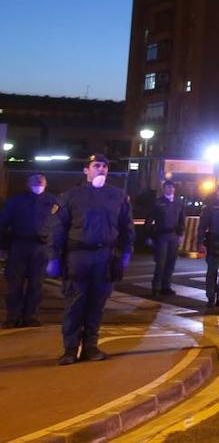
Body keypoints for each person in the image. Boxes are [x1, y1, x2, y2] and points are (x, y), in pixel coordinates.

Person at [48, 154, 134, 364]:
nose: (101, 169)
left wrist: (125, 255)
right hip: (78, 256)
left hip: (105, 257)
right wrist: (53, 258)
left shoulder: (118, 196)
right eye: (96, 166)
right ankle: (70, 350)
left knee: (97, 304)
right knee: (75, 303)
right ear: (86, 170)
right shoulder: (71, 196)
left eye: (104, 166)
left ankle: (90, 347)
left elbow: (127, 228)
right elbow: (58, 229)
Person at [0, 173, 56, 328]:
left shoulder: (52, 202)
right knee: (14, 284)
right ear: (27, 183)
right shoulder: (16, 201)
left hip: (41, 247)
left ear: (46, 183)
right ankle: (13, 317)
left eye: (41, 179)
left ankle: (31, 316)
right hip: (19, 245)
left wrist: (55, 251)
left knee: (36, 285)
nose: (38, 181)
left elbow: (59, 227)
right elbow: (2, 224)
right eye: (34, 179)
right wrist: (3, 247)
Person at [146, 180, 185, 296]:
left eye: (172, 187)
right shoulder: (158, 202)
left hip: (174, 235)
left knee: (171, 262)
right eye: (168, 187)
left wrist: (181, 235)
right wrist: (148, 235)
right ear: (164, 189)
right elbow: (149, 220)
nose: (170, 189)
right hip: (161, 235)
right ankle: (156, 287)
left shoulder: (179, 203)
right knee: (160, 262)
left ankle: (166, 286)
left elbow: (182, 220)